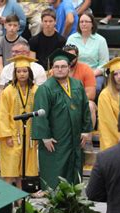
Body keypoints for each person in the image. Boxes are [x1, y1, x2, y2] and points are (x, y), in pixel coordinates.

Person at [32, 49, 93, 189]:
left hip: (75, 136)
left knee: (74, 165)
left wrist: (86, 130)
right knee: (56, 169)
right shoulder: (45, 89)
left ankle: (73, 198)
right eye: (56, 67)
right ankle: (54, 199)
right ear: (52, 68)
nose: (60, 69)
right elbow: (40, 113)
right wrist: (45, 137)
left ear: (69, 68)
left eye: (63, 66)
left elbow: (85, 108)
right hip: (56, 139)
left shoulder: (77, 85)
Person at [0, 56, 38, 188]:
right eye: (19, 71)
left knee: (21, 172)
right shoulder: (8, 91)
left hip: (28, 136)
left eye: (24, 71)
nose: (22, 74)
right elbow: (2, 114)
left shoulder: (35, 90)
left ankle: (19, 204)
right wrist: (6, 135)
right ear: (15, 73)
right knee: (9, 172)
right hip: (12, 136)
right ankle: (6, 203)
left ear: (29, 72)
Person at [66, 12, 109, 94]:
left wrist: (90, 74)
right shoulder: (71, 39)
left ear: (92, 24)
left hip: (95, 74)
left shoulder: (101, 40)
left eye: (86, 22)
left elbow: (104, 64)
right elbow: (66, 59)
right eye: (81, 22)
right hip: (74, 72)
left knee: (95, 88)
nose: (83, 24)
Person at [0, 14, 28, 102]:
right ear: (5, 25)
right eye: (10, 25)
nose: (12, 28)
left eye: (15, 25)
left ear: (18, 27)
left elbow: (24, 61)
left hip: (19, 70)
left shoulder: (23, 41)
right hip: (2, 70)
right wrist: (4, 75)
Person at [61, 44, 97, 128]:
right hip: (60, 103)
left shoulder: (86, 69)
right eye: (67, 55)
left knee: (90, 105)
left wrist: (73, 101)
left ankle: (88, 138)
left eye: (72, 56)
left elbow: (91, 95)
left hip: (81, 102)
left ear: (77, 57)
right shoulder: (57, 70)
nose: (70, 58)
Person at [98, 57, 120, 150]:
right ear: (111, 76)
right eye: (115, 74)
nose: (119, 76)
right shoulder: (105, 95)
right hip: (111, 137)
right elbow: (109, 121)